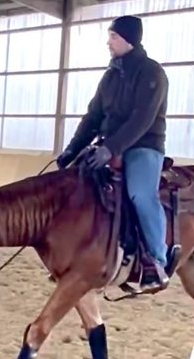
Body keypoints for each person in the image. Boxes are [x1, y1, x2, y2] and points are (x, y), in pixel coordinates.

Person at [56, 15, 174, 292]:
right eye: (109, 36)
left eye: (113, 37)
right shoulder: (109, 76)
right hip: (110, 144)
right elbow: (93, 116)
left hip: (144, 145)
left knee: (141, 195)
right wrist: (72, 149)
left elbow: (142, 118)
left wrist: (111, 148)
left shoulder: (152, 73)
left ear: (128, 40)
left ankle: (157, 261)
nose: (108, 42)